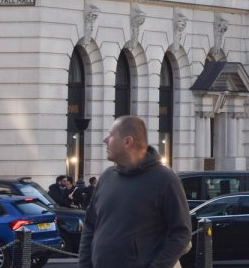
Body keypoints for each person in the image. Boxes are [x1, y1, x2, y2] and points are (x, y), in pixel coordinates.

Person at [77, 115, 191, 268]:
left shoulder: (164, 179)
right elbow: (90, 225)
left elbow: (181, 233)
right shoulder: (106, 177)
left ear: (127, 141)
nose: (105, 140)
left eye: (111, 135)